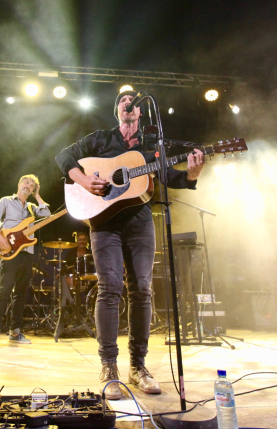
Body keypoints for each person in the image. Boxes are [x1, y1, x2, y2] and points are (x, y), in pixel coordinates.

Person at [56, 90, 206, 399]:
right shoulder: (100, 139)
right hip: (103, 223)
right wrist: (84, 180)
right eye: (123, 100)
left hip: (140, 221)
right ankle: (109, 366)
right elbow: (63, 157)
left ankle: (138, 366)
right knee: (110, 287)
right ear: (118, 111)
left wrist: (191, 174)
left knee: (142, 289)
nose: (128, 103)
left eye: (132, 101)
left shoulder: (152, 146)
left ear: (140, 113)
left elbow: (168, 177)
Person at [0, 174, 52, 346]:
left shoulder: (31, 207)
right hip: (9, 249)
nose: (28, 186)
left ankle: (15, 332)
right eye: (26, 182)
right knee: (4, 290)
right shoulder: (6, 201)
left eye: (32, 185)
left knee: (21, 293)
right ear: (19, 184)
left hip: (27, 252)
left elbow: (47, 214)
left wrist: (37, 196)